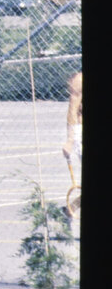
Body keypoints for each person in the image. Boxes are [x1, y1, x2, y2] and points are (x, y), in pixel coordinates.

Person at [63, 69, 82, 227]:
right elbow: (73, 109)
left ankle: (71, 208)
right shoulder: (80, 80)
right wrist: (70, 139)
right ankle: (71, 208)